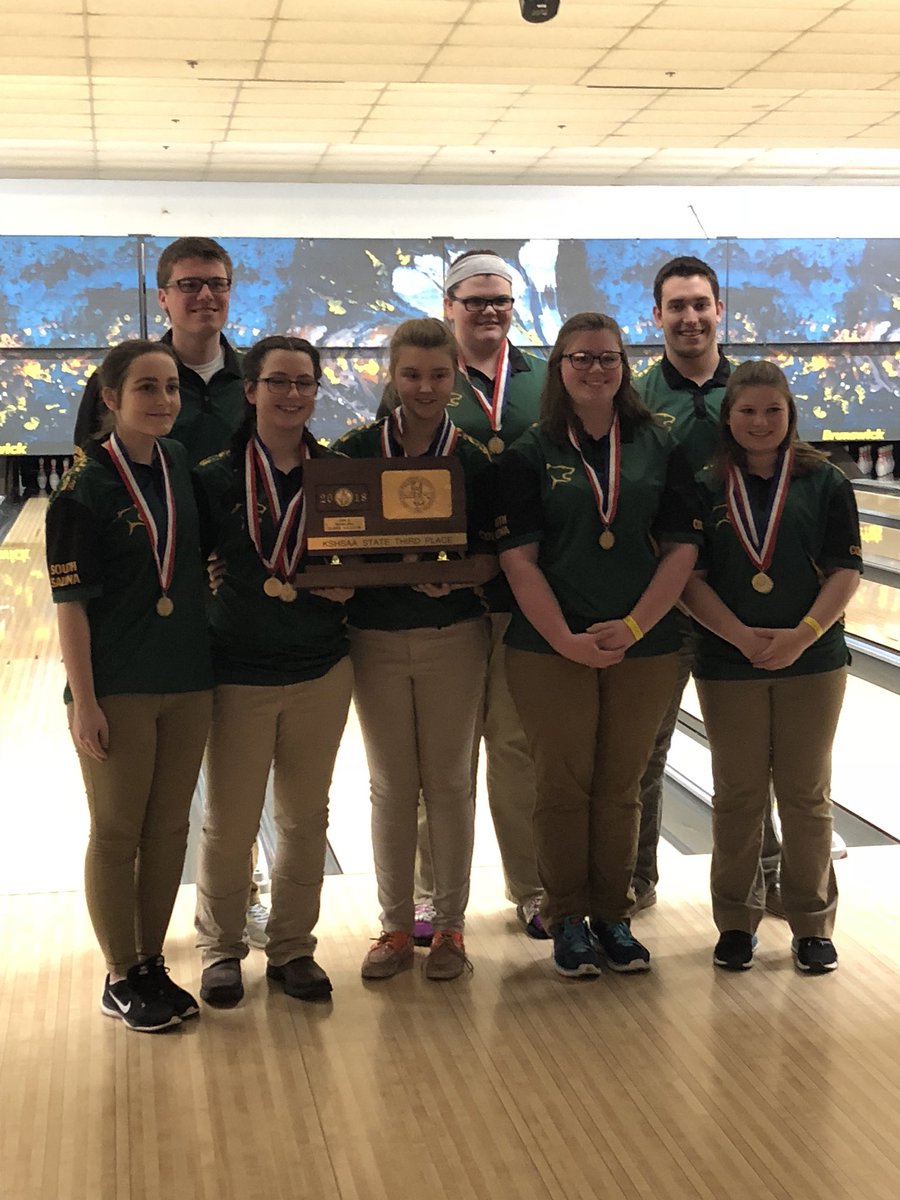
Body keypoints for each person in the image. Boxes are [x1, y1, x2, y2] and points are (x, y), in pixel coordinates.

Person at [74, 236, 270, 947]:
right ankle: (130, 948)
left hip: (241, 600)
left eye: (216, 283)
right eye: (188, 284)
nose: (204, 296)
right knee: (136, 805)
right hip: (143, 620)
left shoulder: (258, 377)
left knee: (237, 776)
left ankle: (234, 896)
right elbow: (96, 499)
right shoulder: (127, 373)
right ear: (163, 296)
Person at [496, 313, 702, 978]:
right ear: (560, 367)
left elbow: (682, 547)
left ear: (624, 365)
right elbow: (519, 560)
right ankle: (566, 920)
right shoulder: (530, 451)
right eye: (580, 358)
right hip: (548, 645)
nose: (595, 369)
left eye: (607, 358)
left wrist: (637, 625)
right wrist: (565, 638)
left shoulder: (659, 443)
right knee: (561, 786)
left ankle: (613, 915)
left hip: (643, 643)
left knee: (622, 786)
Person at [46, 340, 214, 1032]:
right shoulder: (81, 492)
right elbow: (72, 607)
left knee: (170, 829)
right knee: (118, 833)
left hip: (187, 677)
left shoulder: (177, 463)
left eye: (171, 387)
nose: (164, 400)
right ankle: (120, 973)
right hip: (117, 686)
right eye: (147, 388)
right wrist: (84, 701)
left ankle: (150, 963)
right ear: (111, 398)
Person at [380, 249, 548, 942]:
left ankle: (534, 889)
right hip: (442, 606)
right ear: (447, 307)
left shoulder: (544, 380)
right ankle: (428, 897)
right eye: (473, 300)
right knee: (439, 761)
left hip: (522, 597)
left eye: (500, 301)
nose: (488, 311)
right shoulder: (423, 378)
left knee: (513, 749)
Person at [683, 361, 861, 973]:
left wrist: (802, 636)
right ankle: (735, 921)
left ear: (790, 415)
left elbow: (846, 571)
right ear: (728, 418)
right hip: (726, 662)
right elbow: (690, 579)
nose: (760, 423)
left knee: (806, 795)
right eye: (748, 412)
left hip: (814, 661)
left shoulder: (827, 481)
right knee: (737, 795)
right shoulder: (704, 485)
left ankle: (811, 921)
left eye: (773, 411)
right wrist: (740, 637)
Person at [192, 336, 353, 1006]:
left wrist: (357, 586)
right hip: (237, 670)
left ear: (317, 391)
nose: (292, 395)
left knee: (304, 818)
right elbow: (180, 564)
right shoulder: (213, 476)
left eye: (304, 383)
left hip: (320, 666)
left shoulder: (339, 472)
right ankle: (220, 948)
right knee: (229, 821)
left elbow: (367, 555)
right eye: (278, 382)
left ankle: (292, 948)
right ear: (250, 389)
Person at [335, 317, 495, 982]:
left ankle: (451, 928)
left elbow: (492, 560)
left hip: (454, 637)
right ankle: (396, 927)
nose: (424, 387)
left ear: (454, 375)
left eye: (437, 374)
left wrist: (453, 575)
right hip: (371, 638)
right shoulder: (351, 452)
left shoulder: (477, 458)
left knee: (452, 783)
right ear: (389, 376)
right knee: (391, 787)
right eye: (411, 374)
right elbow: (330, 546)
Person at [634, 256, 783, 914]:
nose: (689, 317)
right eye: (676, 306)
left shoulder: (751, 390)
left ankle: (771, 876)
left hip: (744, 602)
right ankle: (636, 879)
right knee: (645, 751)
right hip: (663, 603)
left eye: (700, 304)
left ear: (719, 310)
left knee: (753, 759)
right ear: (658, 315)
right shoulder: (636, 399)